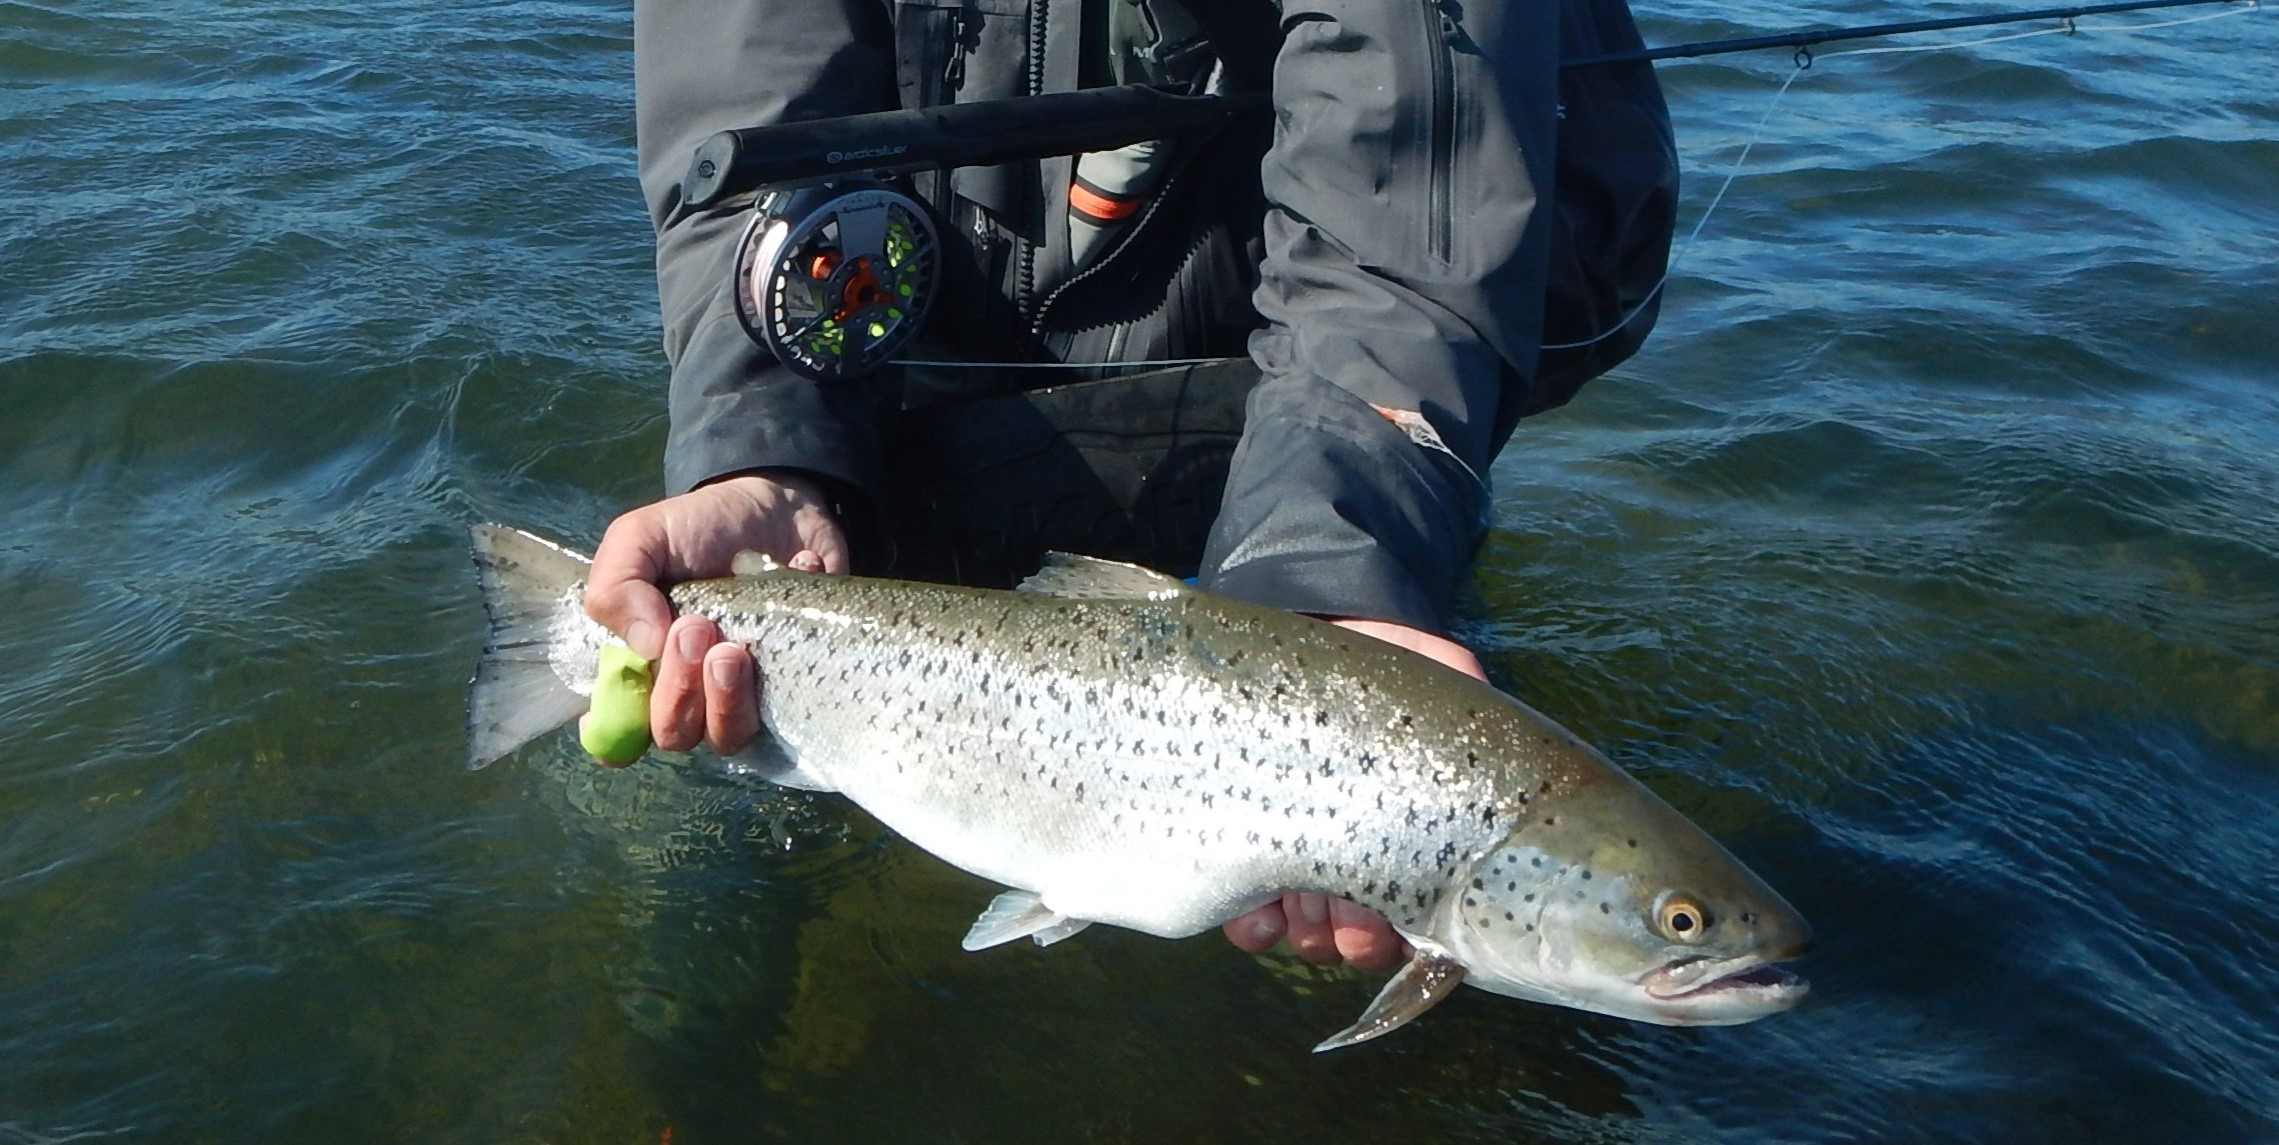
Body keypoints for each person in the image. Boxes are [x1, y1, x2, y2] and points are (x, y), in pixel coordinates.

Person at [585, 0, 1676, 974]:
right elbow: (752, 111)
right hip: (929, 322)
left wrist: (1337, 561)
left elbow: (1405, 160)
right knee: (707, 905)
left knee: (1390, 797)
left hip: (1281, 347)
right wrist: (765, 445)